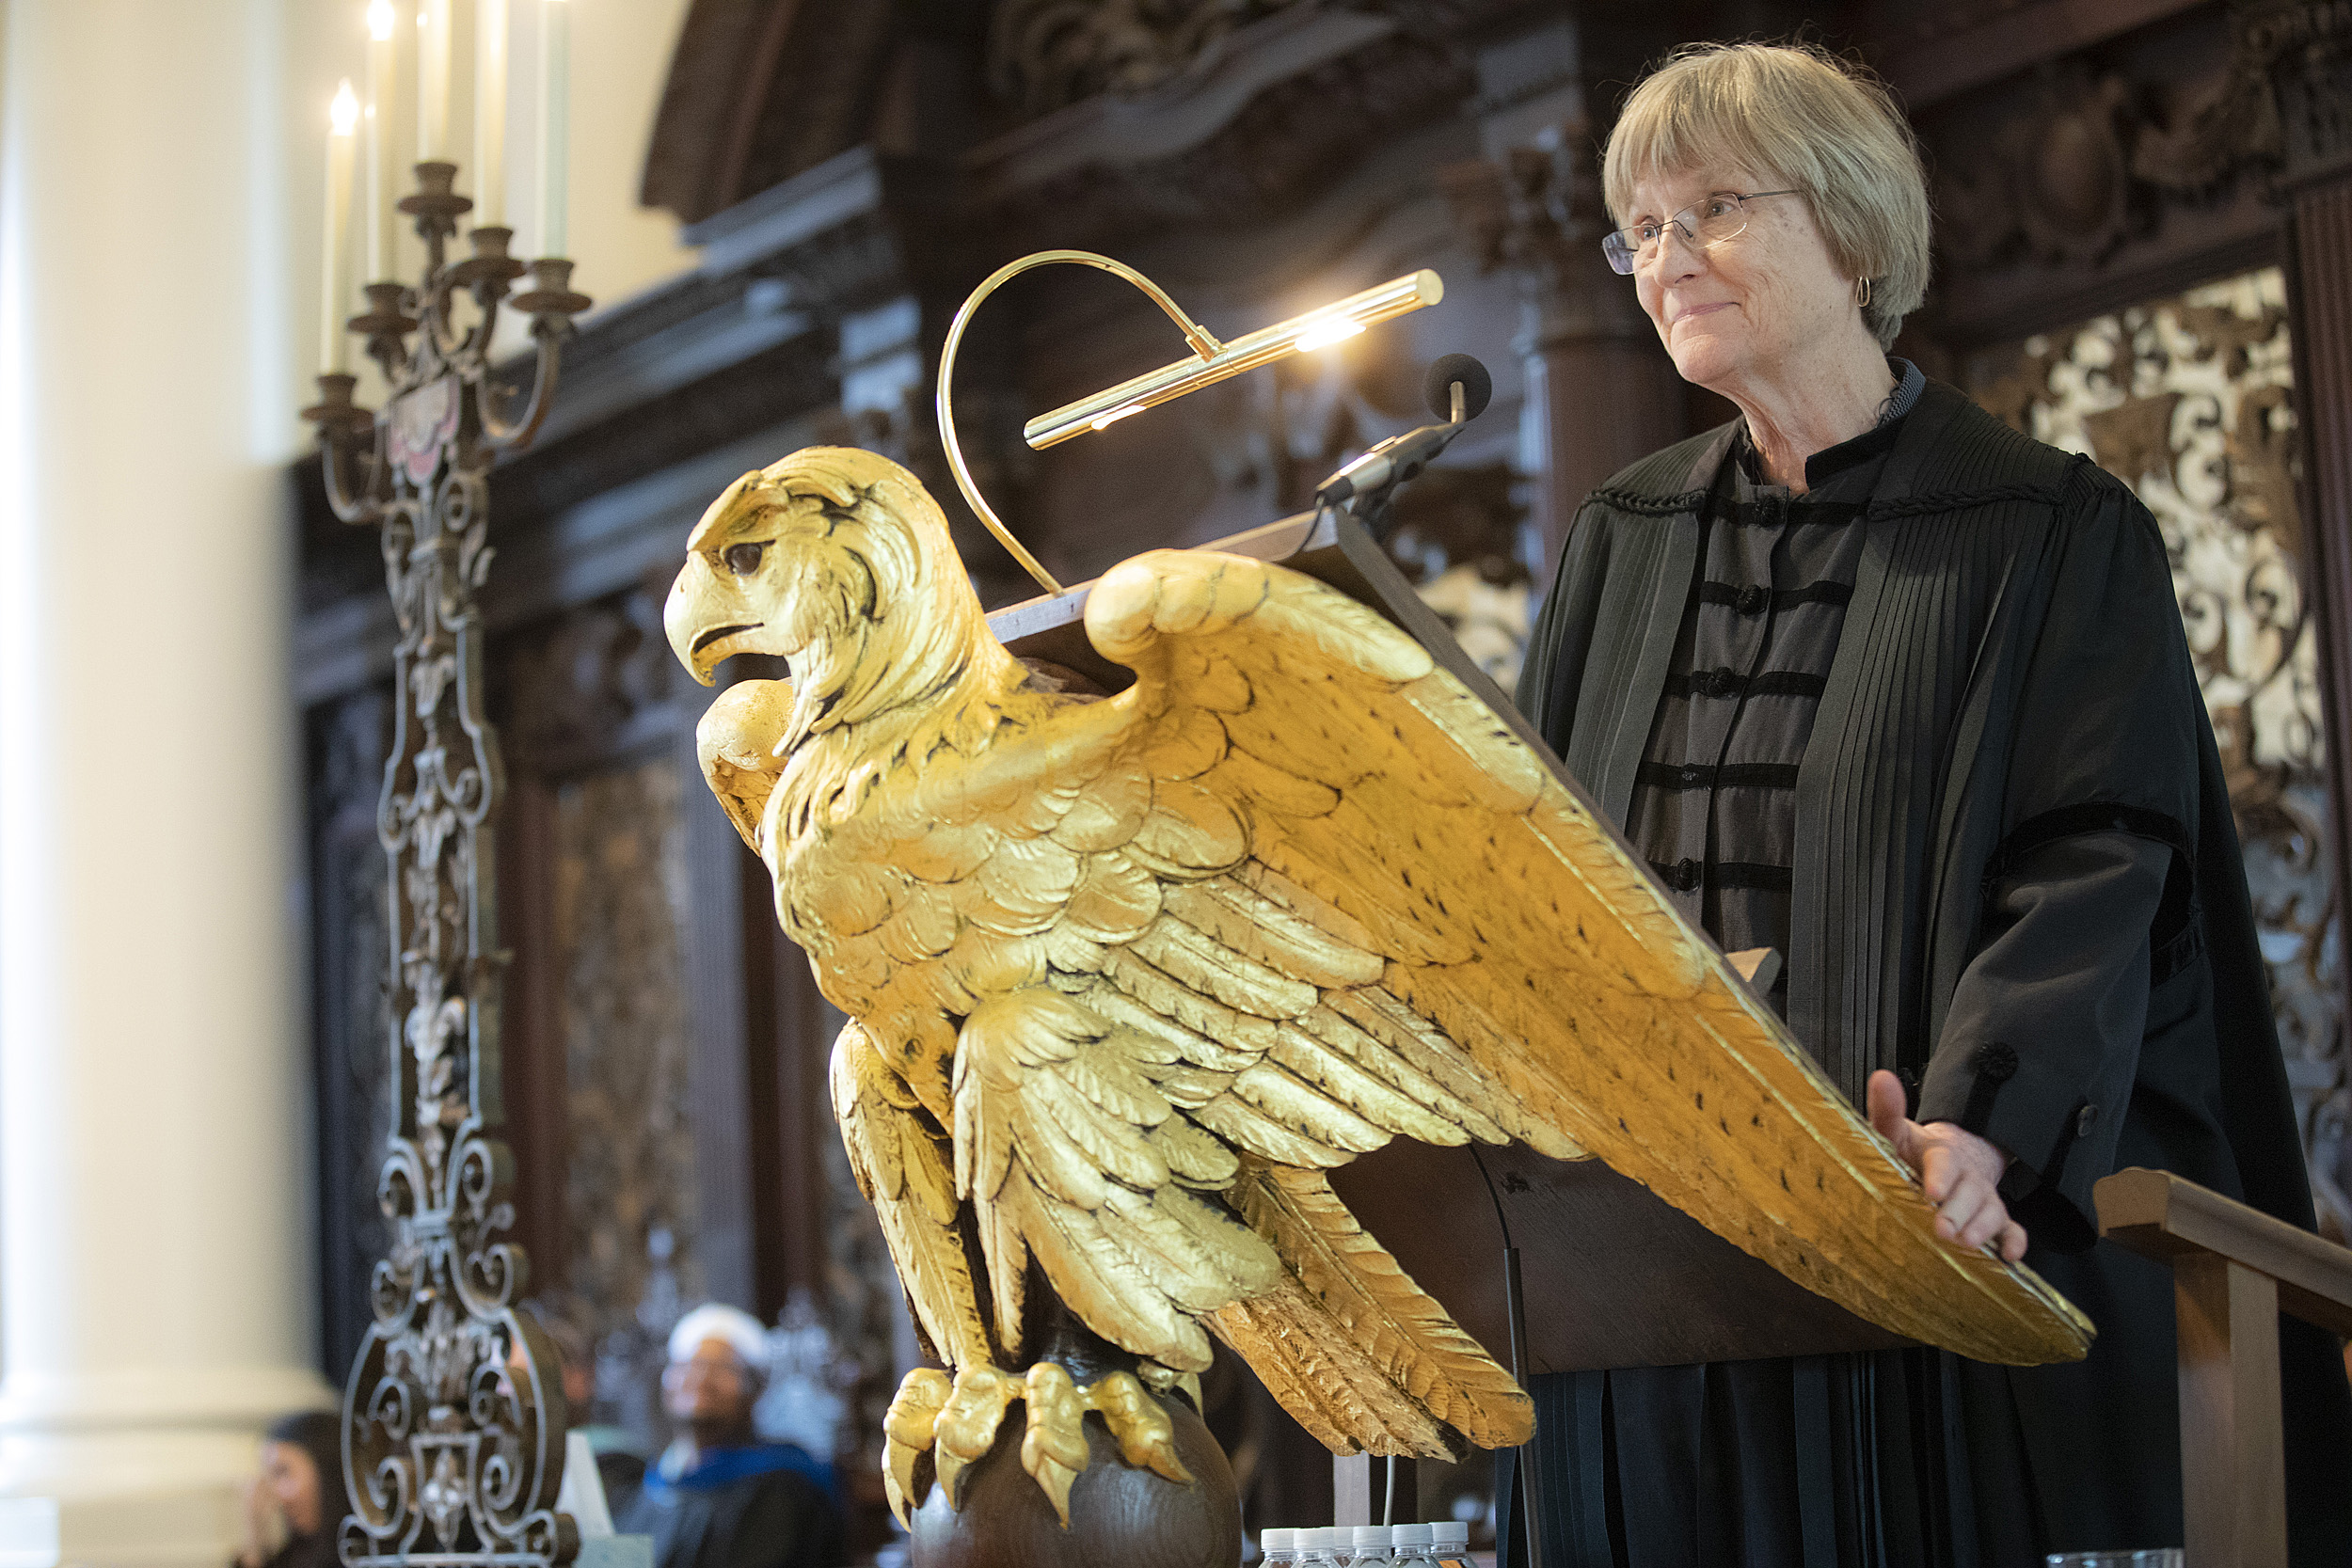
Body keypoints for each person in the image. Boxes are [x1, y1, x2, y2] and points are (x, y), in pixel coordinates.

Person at [1502, 40, 2352, 1567]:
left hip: (1930, 1245)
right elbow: (1548, 875)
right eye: (1639, 230)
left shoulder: (2047, 528)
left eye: (1711, 210)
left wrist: (1982, 1124)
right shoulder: (1618, 541)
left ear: (1854, 231)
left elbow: (2094, 869)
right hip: (1647, 1274)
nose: (1663, 260)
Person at [615, 1303, 843, 1568]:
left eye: (722, 1368)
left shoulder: (782, 1488)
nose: (700, 1378)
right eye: (688, 1364)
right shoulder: (646, 1489)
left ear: (754, 1390)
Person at [233, 1411, 350, 1568]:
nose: (277, 1497)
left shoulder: (376, 1553)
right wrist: (255, 1544)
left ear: (328, 1468)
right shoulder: (297, 1555)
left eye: (282, 1472)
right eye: (271, 1478)